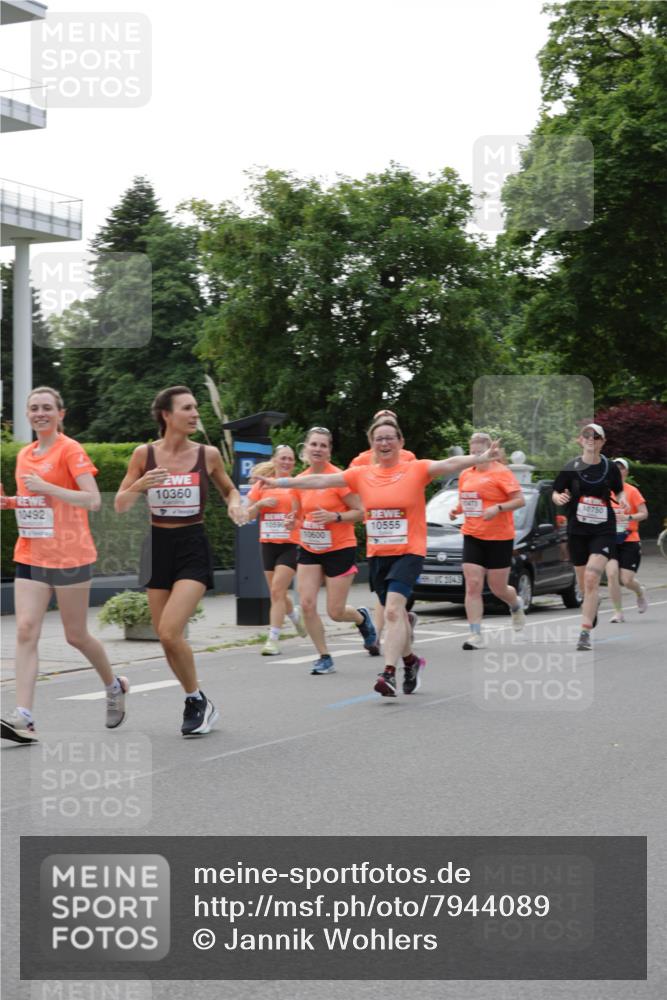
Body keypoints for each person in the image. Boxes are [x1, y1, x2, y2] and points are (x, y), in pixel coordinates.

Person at [260, 418, 501, 697]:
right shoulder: (361, 474)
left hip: (409, 551)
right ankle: (410, 661)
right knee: (395, 615)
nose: (384, 443)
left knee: (392, 612)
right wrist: (278, 481)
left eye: (390, 438)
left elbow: (449, 464)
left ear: (400, 442)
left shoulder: (415, 468)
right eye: (379, 439)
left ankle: (388, 673)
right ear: (372, 445)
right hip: (378, 553)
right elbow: (318, 480)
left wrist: (481, 457)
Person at [115, 385, 245, 736]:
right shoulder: (144, 454)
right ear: (166, 415)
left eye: (196, 407)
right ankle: (197, 698)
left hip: (192, 546)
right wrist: (141, 484)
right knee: (165, 637)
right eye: (187, 408)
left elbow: (229, 490)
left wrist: (234, 504)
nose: (195, 414)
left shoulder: (208, 454)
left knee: (171, 630)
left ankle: (196, 701)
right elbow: (120, 504)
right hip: (157, 547)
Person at [0, 387, 128, 745]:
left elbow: (92, 500)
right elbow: (36, 501)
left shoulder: (70, 449)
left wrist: (48, 486)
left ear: (61, 414)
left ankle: (114, 686)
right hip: (31, 553)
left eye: (47, 407)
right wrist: (12, 502)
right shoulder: (24, 454)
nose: (40, 413)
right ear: (27, 414)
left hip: (71, 555)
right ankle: (24, 717)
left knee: (76, 635)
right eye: (34, 408)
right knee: (26, 629)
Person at [293, 426, 376, 675]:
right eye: (314, 444)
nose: (318, 449)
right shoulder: (300, 481)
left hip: (339, 547)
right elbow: (298, 516)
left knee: (335, 612)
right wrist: (291, 522)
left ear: (329, 451)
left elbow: (362, 512)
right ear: (306, 448)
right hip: (310, 547)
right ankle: (324, 656)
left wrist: (335, 516)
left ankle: (362, 618)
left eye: (323, 445)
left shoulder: (340, 478)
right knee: (306, 604)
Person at [552, 423, 628, 651]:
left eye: (596, 437)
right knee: (584, 584)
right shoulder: (571, 467)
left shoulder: (609, 468)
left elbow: (619, 490)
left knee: (592, 578)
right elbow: (556, 491)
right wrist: (558, 498)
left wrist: (623, 499)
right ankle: (591, 603)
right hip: (577, 531)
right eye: (586, 435)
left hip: (603, 530)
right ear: (580, 440)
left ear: (602, 442)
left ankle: (584, 633)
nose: (590, 439)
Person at [349, 409, 418, 653]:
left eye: (390, 426)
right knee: (385, 596)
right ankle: (392, 629)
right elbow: (347, 489)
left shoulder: (408, 457)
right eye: (380, 426)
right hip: (377, 534)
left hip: (405, 537)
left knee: (393, 599)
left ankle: (381, 635)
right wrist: (365, 507)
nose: (385, 442)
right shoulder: (360, 461)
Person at [449, 432, 526, 650]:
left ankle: (515, 604)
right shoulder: (466, 474)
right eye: (472, 452)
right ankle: (475, 634)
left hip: (499, 537)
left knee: (498, 588)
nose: (476, 456)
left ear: (489, 451)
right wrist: (456, 510)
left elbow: (519, 500)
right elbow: (467, 500)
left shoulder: (501, 472)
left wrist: (498, 508)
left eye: (479, 452)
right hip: (472, 534)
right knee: (473, 584)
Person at [246, 445, 307, 655]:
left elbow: (304, 517)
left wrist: (294, 522)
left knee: (276, 591)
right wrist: (259, 504)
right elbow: (248, 514)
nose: (287, 462)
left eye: (290, 459)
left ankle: (272, 640)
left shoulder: (297, 485)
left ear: (294, 463)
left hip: (290, 544)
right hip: (268, 544)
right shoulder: (261, 485)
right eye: (283, 458)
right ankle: (295, 617)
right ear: (274, 460)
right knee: (278, 593)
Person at [606, 458, 649, 622]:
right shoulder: (605, 491)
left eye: (621, 468)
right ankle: (618, 612)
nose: (618, 470)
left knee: (626, 580)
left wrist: (628, 517)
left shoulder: (632, 491)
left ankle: (640, 591)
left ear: (626, 472)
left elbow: (644, 513)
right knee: (611, 575)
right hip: (609, 539)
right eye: (615, 467)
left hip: (629, 539)